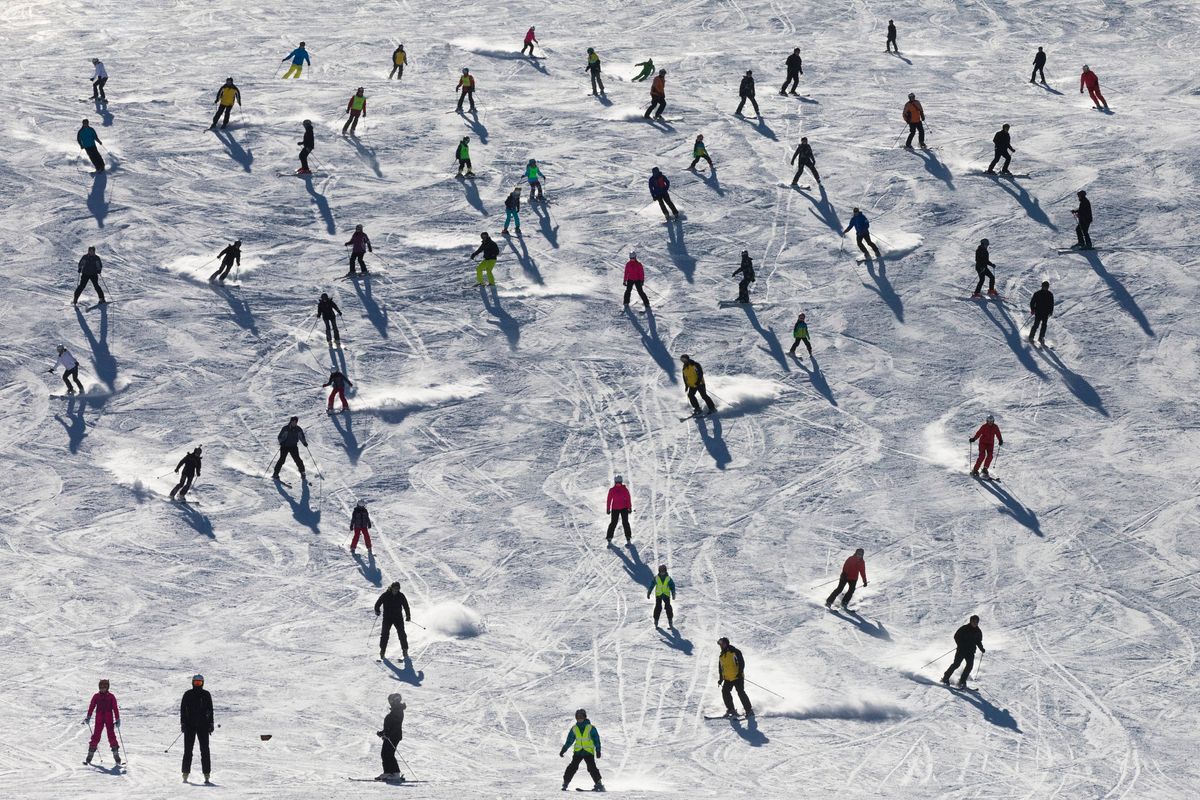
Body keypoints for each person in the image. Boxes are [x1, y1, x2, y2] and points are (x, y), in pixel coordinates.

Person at [180, 674, 214, 784]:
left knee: (205, 750)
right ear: (193, 683)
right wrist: (183, 723)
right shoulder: (188, 694)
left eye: (199, 683)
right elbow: (183, 710)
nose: (198, 684)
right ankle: (185, 773)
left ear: (202, 683)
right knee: (188, 751)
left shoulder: (206, 694)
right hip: (190, 726)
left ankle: (206, 774)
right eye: (196, 682)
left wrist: (211, 723)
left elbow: (210, 710)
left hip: (203, 726)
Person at [559, 709, 603, 792]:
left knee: (592, 768)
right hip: (578, 752)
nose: (579, 719)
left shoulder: (591, 728)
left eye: (581, 716)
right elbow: (569, 741)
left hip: (588, 751)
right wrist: (563, 750)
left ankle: (599, 784)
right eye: (577, 717)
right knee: (572, 767)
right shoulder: (574, 728)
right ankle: (565, 783)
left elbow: (596, 739)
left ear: (585, 717)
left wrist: (598, 750)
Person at [84, 678, 121, 766]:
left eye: (104, 687)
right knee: (96, 736)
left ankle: (116, 755)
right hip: (99, 719)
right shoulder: (96, 696)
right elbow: (92, 706)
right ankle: (90, 756)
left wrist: (117, 719)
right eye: (101, 687)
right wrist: (88, 716)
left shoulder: (111, 697)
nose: (102, 689)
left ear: (107, 687)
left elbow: (115, 708)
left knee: (111, 736)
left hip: (109, 719)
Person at [941, 615, 985, 688]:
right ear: (970, 621)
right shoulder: (964, 628)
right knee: (956, 664)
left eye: (977, 622)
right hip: (961, 650)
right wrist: (960, 644)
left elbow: (978, 641)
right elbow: (956, 636)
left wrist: (981, 648)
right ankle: (945, 678)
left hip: (970, 651)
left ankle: (962, 681)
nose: (975, 623)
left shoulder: (978, 631)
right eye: (974, 621)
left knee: (969, 666)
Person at [374, 581, 412, 660]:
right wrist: (377, 610)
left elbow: (406, 606)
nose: (396, 590)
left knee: (402, 634)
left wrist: (408, 615)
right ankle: (382, 650)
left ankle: (405, 650)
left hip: (398, 618)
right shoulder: (385, 595)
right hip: (387, 618)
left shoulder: (401, 596)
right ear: (391, 588)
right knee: (384, 634)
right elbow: (377, 604)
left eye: (398, 589)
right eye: (395, 588)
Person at [716, 637, 753, 717]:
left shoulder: (735, 651)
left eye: (723, 644)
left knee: (740, 692)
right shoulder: (721, 656)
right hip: (728, 678)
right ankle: (731, 709)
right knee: (725, 692)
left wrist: (740, 673)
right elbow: (721, 668)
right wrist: (721, 679)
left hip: (737, 676)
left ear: (727, 643)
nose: (721, 646)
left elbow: (741, 662)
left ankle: (749, 710)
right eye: (720, 645)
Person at [376, 693, 406, 781]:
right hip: (390, 735)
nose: (390, 703)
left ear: (395, 701)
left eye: (391, 701)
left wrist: (388, 733)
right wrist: (383, 733)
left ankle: (395, 773)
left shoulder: (398, 711)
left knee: (389, 754)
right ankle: (388, 772)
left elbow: (395, 725)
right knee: (385, 754)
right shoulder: (396, 710)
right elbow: (390, 725)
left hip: (394, 736)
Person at [273, 416, 307, 482]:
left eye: (295, 422)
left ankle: (302, 472)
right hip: (284, 446)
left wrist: (304, 443)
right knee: (282, 460)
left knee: (297, 459)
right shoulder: (285, 428)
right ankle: (275, 473)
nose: (294, 423)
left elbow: (301, 436)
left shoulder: (298, 429)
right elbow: (280, 436)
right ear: (291, 421)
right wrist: (281, 442)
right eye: (293, 421)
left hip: (293, 446)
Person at [605, 475, 632, 544]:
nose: (618, 483)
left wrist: (629, 507)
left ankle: (628, 537)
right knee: (614, 523)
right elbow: (609, 500)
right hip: (615, 508)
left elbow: (628, 499)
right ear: (615, 482)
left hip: (624, 508)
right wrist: (608, 508)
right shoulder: (612, 490)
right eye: (617, 482)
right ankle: (609, 537)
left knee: (625, 522)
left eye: (619, 482)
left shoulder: (624, 489)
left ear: (621, 482)